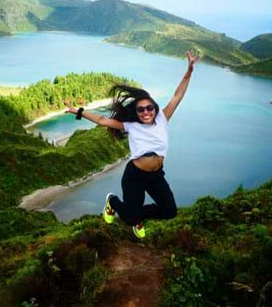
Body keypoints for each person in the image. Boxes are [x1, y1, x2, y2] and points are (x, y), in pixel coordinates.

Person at [64, 51, 200, 238]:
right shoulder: (130, 126)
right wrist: (77, 111)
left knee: (170, 212)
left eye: (149, 108)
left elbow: (178, 95)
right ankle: (113, 202)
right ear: (136, 112)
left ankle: (138, 217)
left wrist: (189, 71)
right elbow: (102, 120)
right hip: (135, 175)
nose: (146, 112)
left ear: (155, 108)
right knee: (128, 218)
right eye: (141, 109)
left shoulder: (163, 118)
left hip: (156, 176)